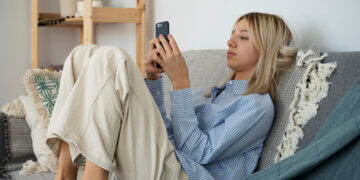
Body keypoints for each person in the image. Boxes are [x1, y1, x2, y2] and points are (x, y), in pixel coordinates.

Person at [46, 12, 297, 180]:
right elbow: (163, 133)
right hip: (164, 161)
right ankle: (65, 170)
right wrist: (154, 80)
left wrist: (180, 81)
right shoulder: (212, 95)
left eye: (243, 37)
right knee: (83, 54)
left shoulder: (257, 107)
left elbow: (198, 153)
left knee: (114, 59)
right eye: (232, 33)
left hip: (183, 175)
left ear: (267, 50)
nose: (230, 41)